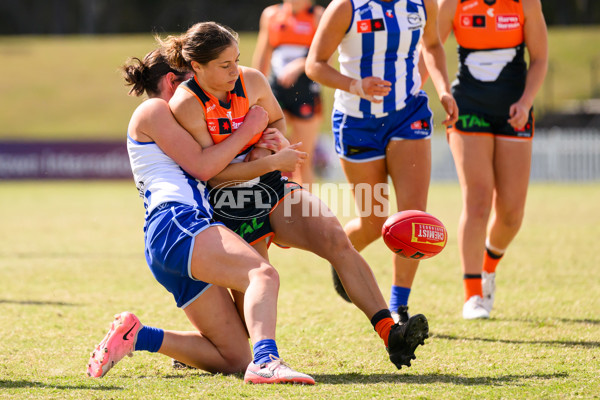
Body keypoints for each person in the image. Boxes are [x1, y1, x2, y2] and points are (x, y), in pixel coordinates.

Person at [161, 21, 430, 371]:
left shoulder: (252, 80)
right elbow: (211, 172)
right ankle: (206, 352)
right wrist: (257, 143)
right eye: (224, 66)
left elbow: (276, 123)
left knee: (336, 241)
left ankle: (389, 331)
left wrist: (270, 142)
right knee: (251, 305)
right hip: (230, 204)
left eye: (236, 61)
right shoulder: (186, 104)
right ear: (196, 67)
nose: (234, 71)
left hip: (271, 185)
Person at [85, 49, 316, 385]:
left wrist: (262, 144)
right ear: (170, 81)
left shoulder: (181, 119)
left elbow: (219, 158)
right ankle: (266, 361)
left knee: (234, 357)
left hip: (173, 238)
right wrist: (251, 125)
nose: (199, 93)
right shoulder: (155, 109)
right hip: (178, 223)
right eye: (191, 82)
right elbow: (206, 167)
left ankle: (136, 336)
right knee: (262, 275)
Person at [305, 0, 459, 321]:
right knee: (374, 222)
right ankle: (343, 256)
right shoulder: (345, 7)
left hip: (409, 114)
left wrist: (444, 90)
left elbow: (432, 45)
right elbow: (314, 64)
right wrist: (355, 85)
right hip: (356, 122)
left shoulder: (421, 3)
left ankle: (399, 306)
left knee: (412, 219)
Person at [423, 0, 548, 319]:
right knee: (478, 200)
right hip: (468, 108)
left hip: (514, 111)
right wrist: (441, 92)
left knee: (511, 213)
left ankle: (488, 265)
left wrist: (526, 101)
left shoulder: (525, 3)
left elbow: (540, 58)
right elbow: (432, 46)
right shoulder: (452, 3)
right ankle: (473, 293)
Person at [252, 0, 325, 186]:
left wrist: (300, 64)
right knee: (266, 153)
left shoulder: (318, 15)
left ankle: (307, 210)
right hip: (276, 93)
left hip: (306, 93)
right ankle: (268, 204)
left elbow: (325, 58)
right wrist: (253, 93)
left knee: (303, 158)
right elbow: (262, 57)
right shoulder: (271, 14)